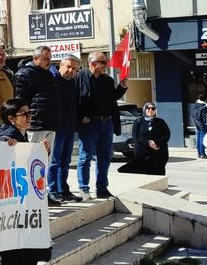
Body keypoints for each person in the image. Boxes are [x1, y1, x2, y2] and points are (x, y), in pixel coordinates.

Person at [0, 98, 52, 265]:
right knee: (16, 256)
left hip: (24, 206)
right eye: (24, 114)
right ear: (11, 119)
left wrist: (40, 154)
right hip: (12, 208)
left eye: (30, 113)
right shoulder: (6, 137)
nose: (29, 117)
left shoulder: (21, 135)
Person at [76, 51, 127, 200]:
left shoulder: (107, 80)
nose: (106, 65)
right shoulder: (80, 77)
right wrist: (81, 117)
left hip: (107, 123)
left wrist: (122, 87)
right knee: (85, 157)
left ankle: (102, 188)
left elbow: (113, 98)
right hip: (89, 123)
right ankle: (84, 188)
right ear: (93, 64)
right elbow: (74, 100)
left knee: (104, 157)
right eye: (103, 62)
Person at [49, 55, 83, 204]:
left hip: (69, 126)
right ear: (60, 65)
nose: (71, 71)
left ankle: (64, 190)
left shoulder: (72, 82)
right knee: (54, 160)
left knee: (65, 161)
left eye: (74, 69)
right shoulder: (52, 79)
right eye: (68, 67)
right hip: (56, 127)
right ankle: (53, 190)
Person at [14, 46, 60, 148]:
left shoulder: (48, 75)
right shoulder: (24, 74)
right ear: (35, 58)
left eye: (50, 59)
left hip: (50, 123)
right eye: (46, 59)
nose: (49, 62)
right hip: (34, 125)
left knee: (45, 159)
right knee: (33, 158)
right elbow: (19, 100)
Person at [119, 102, 171, 176]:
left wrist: (156, 143)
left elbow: (167, 135)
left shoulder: (161, 122)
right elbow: (136, 136)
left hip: (158, 153)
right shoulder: (138, 121)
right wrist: (148, 143)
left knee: (158, 174)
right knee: (144, 173)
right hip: (143, 154)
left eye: (153, 108)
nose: (150, 110)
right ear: (144, 110)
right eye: (148, 108)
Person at [194, 95, 207, 159]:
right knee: (203, 139)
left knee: (198, 139)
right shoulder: (204, 107)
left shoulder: (196, 105)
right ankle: (202, 154)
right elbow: (204, 118)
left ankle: (199, 153)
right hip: (202, 125)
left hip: (197, 124)